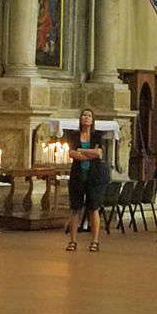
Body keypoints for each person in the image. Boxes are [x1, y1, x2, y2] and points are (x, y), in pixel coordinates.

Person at [65, 108, 105, 252]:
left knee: (93, 208)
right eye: (84, 115)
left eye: (89, 116)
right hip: (77, 175)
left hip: (93, 176)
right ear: (80, 119)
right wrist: (89, 154)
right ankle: (73, 240)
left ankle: (94, 241)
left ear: (93, 120)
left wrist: (81, 151)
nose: (86, 118)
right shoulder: (74, 135)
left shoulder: (97, 136)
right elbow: (71, 153)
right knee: (75, 209)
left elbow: (98, 153)